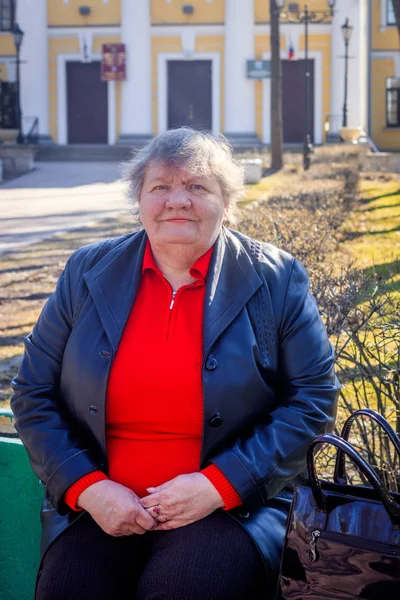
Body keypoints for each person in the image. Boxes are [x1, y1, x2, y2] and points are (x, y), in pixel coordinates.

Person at [11, 127, 340, 600]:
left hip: (230, 509)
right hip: (102, 504)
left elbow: (312, 398)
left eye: (197, 186)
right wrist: (87, 488)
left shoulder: (277, 279)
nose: (177, 200)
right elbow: (31, 393)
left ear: (227, 203)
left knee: (184, 589)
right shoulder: (87, 273)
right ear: (139, 200)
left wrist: (221, 484)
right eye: (160, 186)